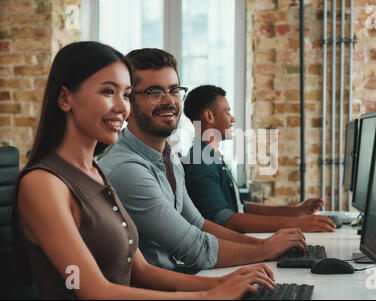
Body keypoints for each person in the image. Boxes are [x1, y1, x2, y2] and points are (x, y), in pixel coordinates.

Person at [13, 41, 277, 300]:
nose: (122, 107)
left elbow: (141, 270)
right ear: (65, 98)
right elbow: (94, 291)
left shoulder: (95, 173)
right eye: (108, 92)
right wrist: (208, 298)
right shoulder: (44, 184)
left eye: (126, 95)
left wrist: (222, 283)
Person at [99, 48, 307, 274]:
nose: (169, 101)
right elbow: (195, 248)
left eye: (174, 90)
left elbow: (198, 224)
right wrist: (266, 249)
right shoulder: (127, 169)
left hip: (175, 279)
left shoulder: (169, 156)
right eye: (155, 92)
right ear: (128, 102)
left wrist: (264, 245)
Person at [182, 85, 335, 233]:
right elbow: (226, 220)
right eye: (227, 112)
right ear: (209, 116)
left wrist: (296, 212)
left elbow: (240, 208)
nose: (232, 118)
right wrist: (298, 224)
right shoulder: (200, 162)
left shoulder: (210, 156)